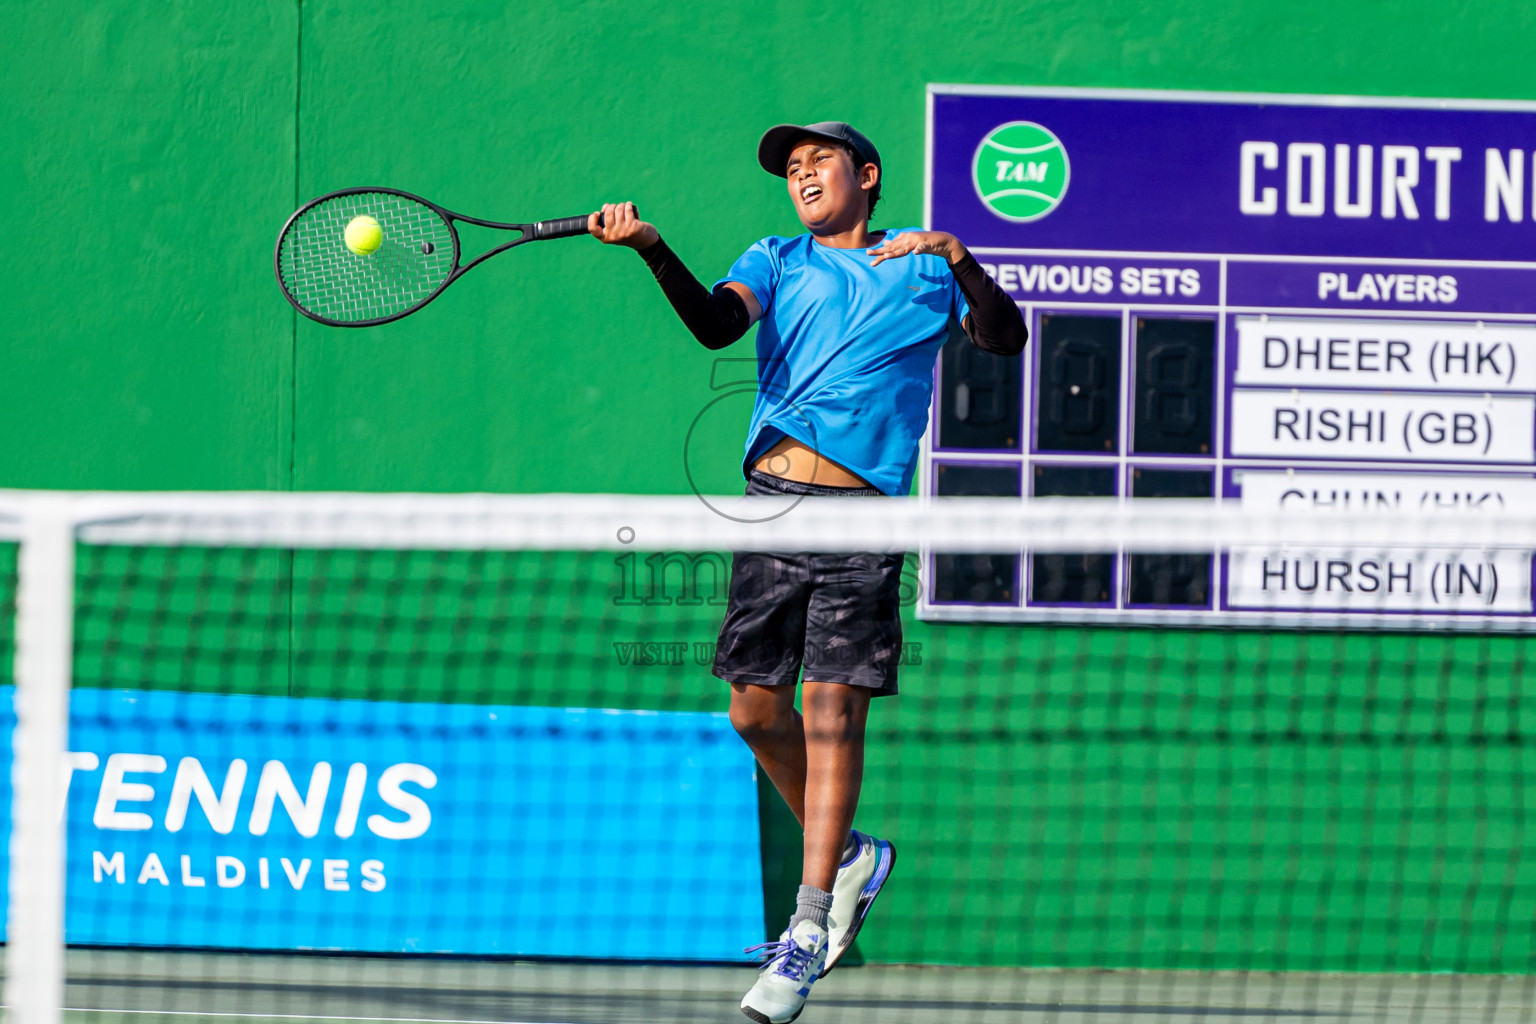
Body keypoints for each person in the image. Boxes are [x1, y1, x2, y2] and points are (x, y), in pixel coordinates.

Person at [590, 120, 1026, 1024]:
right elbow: (715, 324)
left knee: (832, 711)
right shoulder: (778, 258)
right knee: (754, 711)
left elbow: (1006, 339)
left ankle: (810, 919)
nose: (801, 177)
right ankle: (852, 855)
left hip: (865, 515)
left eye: (816, 161)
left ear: (865, 175)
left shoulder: (926, 267)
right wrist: (651, 247)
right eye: (791, 169)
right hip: (770, 504)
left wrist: (965, 259)